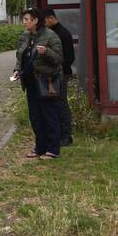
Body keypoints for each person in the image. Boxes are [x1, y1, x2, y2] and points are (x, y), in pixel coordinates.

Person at [12, 8, 64, 159]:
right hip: (30, 81)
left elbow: (59, 59)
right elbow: (19, 56)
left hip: (46, 80)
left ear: (36, 20)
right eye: (24, 19)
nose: (24, 22)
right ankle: (40, 147)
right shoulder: (25, 36)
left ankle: (53, 149)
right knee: (35, 116)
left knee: (49, 114)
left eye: (27, 19)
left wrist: (46, 52)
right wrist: (17, 70)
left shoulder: (50, 36)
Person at [43, 9, 75, 146]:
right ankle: (61, 133)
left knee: (61, 103)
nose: (44, 24)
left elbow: (69, 57)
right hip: (56, 73)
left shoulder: (62, 33)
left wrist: (58, 67)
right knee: (57, 103)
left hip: (61, 73)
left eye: (45, 21)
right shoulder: (56, 32)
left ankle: (66, 134)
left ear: (51, 18)